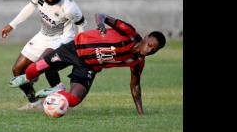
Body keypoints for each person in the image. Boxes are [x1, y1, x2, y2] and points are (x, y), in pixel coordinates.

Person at [9, 13, 166, 115]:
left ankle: (55, 96)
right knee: (36, 69)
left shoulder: (138, 62)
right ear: (146, 37)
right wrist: (101, 24)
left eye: (154, 50)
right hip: (74, 49)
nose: (149, 50)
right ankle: (28, 77)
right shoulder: (129, 33)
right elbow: (101, 15)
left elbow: (135, 85)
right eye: (150, 44)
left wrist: (140, 113)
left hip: (88, 67)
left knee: (75, 99)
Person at [1, 0, 87, 110]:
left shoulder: (69, 8)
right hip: (43, 36)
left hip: (62, 38)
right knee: (17, 70)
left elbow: (82, 23)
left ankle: (56, 93)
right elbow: (30, 6)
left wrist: (81, 46)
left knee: (44, 63)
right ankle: (34, 103)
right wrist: (12, 25)